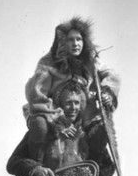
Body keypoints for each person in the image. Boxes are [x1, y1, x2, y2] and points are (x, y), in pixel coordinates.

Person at [23, 16, 121, 166]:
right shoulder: (48, 63)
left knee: (101, 135)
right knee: (39, 125)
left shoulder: (91, 62)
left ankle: (89, 172)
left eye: (79, 39)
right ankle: (36, 171)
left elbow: (112, 75)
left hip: (79, 116)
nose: (76, 44)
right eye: (70, 40)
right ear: (63, 42)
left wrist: (107, 92)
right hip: (50, 114)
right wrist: (59, 121)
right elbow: (37, 95)